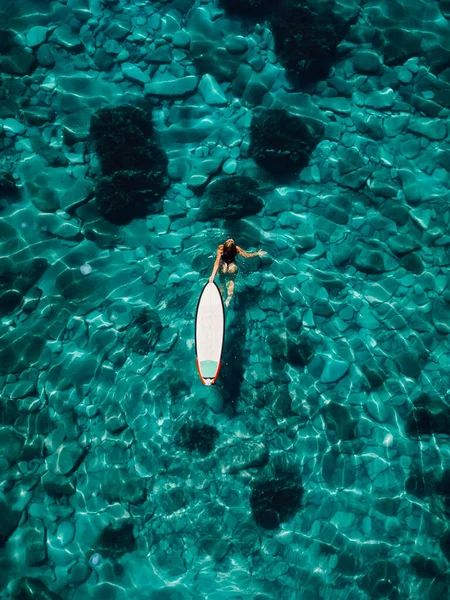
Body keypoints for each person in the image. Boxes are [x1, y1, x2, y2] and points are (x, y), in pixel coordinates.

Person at [209, 239, 267, 307]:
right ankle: (228, 300)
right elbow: (247, 256)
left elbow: (217, 262)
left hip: (223, 267)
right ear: (234, 246)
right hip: (232, 267)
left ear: (224, 244)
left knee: (221, 282)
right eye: (231, 241)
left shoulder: (220, 249)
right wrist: (257, 253)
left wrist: (212, 275)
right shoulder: (236, 249)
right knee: (231, 281)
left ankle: (219, 298)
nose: (231, 239)